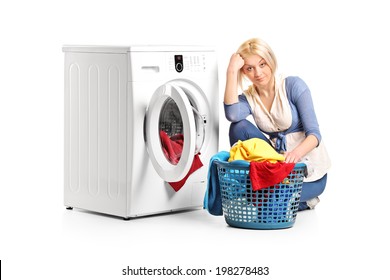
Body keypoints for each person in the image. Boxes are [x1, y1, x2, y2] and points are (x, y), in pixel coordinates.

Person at [224, 38, 331, 210]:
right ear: (243, 72)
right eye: (249, 68)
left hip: (307, 171)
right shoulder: (249, 97)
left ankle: (297, 199)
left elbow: (314, 135)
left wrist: (295, 155)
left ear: (271, 61)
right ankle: (274, 193)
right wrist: (231, 72)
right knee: (239, 127)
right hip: (277, 164)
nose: (258, 73)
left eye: (262, 64)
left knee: (272, 200)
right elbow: (232, 115)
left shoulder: (293, 85)